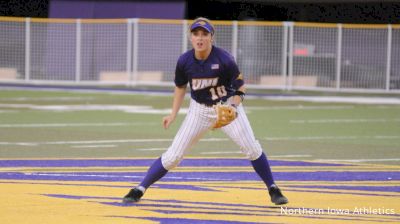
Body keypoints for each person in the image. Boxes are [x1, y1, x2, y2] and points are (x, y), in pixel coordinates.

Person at [123, 17, 288, 205]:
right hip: (199, 111)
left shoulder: (224, 59)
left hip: (226, 107)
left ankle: (273, 188)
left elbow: (241, 87)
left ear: (212, 37)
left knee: (252, 148)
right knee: (173, 156)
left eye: (204, 34)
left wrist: (233, 107)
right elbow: (180, 87)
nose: (200, 38)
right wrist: (173, 114)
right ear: (190, 37)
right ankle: (139, 189)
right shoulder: (184, 61)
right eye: (195, 34)